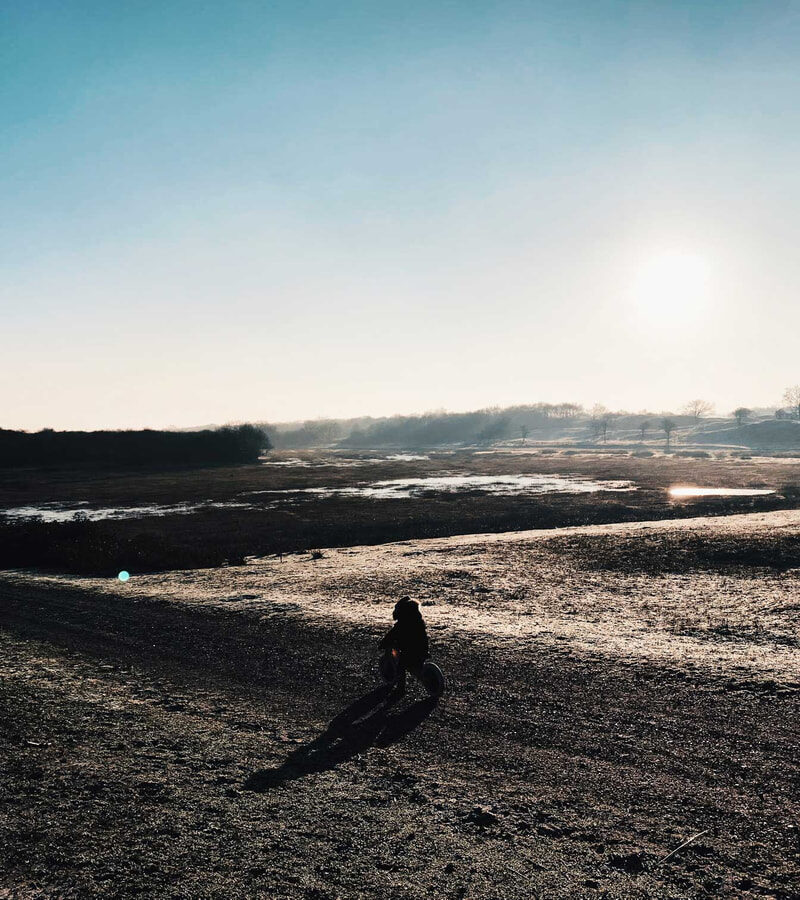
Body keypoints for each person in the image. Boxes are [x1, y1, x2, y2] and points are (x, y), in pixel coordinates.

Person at [378, 596, 430, 693]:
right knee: (415, 666)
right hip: (422, 649)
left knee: (401, 666)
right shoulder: (419, 622)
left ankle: (400, 689)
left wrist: (383, 644)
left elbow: (391, 636)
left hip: (409, 652)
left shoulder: (401, 625)